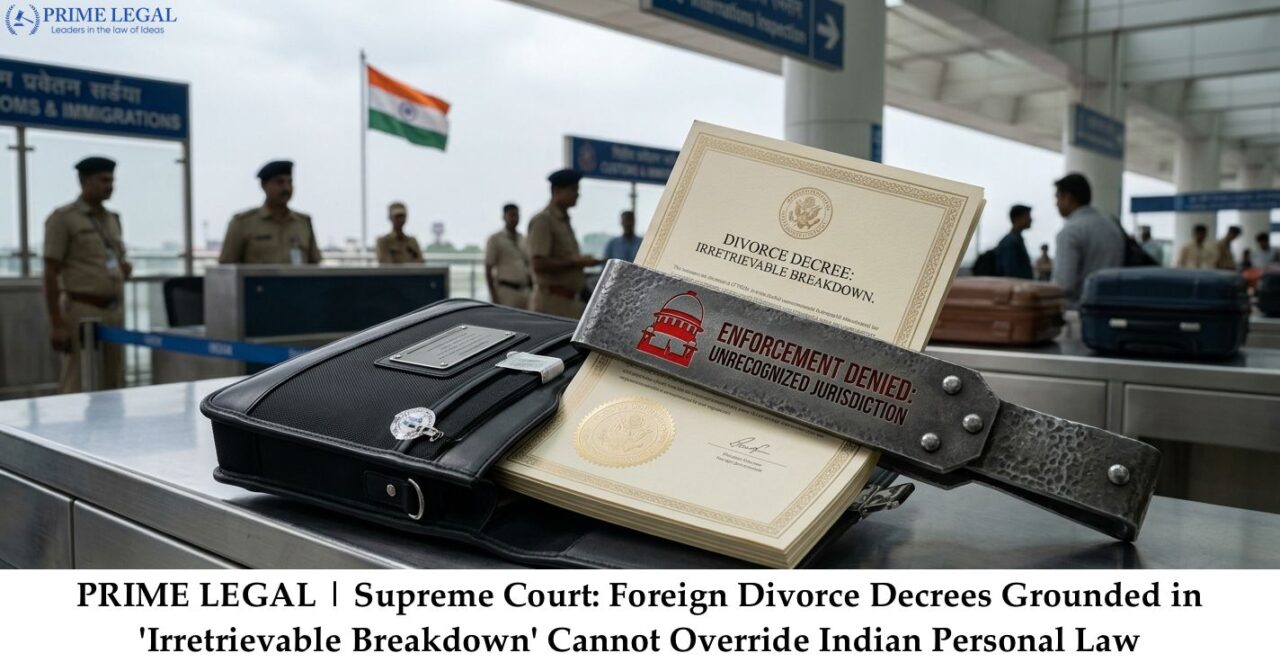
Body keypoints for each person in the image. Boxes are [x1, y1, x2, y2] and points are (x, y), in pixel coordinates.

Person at [42, 157, 132, 393]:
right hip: (82, 311)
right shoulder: (63, 218)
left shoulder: (112, 219)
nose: (110, 186)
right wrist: (57, 324)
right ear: (84, 181)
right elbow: (50, 272)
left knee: (114, 381)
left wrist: (122, 269)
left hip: (114, 311)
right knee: (78, 380)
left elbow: (113, 258)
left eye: (112, 180)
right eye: (103, 180)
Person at [526, 169, 600, 319]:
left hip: (570, 302)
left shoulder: (563, 221)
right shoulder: (543, 220)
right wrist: (576, 262)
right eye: (573, 189)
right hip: (551, 303)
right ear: (557, 191)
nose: (577, 194)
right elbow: (538, 264)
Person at [219, 160, 321, 265]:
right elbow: (226, 267)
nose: (286, 188)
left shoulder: (303, 223)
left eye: (289, 182)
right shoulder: (243, 223)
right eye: (280, 182)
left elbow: (315, 265)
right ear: (264, 185)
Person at [1050, 173, 1124, 305]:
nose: (1056, 204)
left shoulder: (1070, 231)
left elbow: (1063, 285)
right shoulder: (1111, 225)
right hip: (1112, 306)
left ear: (1068, 198)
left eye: (1057, 197)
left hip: (1080, 309)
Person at [485, 203, 532, 308]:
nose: (514, 219)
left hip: (525, 291)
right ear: (504, 217)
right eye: (511, 215)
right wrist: (494, 296)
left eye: (517, 215)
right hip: (506, 291)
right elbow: (488, 269)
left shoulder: (523, 239)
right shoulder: (495, 239)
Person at [995, 204, 1033, 279]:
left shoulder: (1015, 239)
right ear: (1017, 219)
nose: (1030, 219)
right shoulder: (1010, 241)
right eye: (1027, 216)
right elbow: (1010, 274)